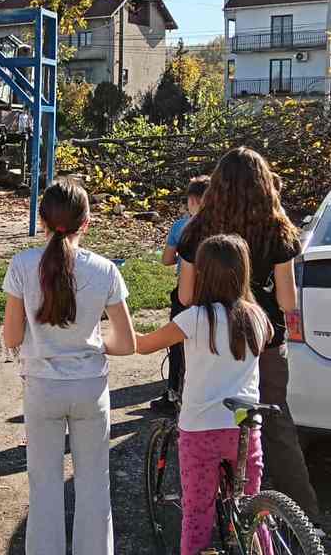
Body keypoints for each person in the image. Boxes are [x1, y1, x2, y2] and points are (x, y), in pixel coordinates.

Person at [176, 147, 321, 523]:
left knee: (208, 422)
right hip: (264, 339)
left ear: (218, 185)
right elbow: (288, 302)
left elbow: (186, 296)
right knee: (273, 422)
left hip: (209, 339)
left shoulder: (199, 228)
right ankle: (305, 517)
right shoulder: (278, 229)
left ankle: (210, 511)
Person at [2, 179, 136, 555]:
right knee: (95, 486)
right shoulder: (106, 270)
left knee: (43, 487)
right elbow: (127, 343)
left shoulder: (22, 265)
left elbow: (12, 337)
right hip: (90, 388)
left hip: (42, 388)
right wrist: (92, 345)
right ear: (87, 222)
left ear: (41, 221)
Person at [136, 234, 272, 555]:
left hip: (202, 427)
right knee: (251, 508)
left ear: (202, 274)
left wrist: (115, 324)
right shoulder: (258, 318)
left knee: (198, 511)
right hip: (245, 425)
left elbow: (143, 345)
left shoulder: (193, 319)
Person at [151, 175, 211, 415]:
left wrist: (181, 258)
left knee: (177, 344)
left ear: (193, 200)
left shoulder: (182, 227)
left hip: (185, 292)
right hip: (214, 292)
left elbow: (166, 260)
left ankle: (174, 392)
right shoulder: (227, 224)